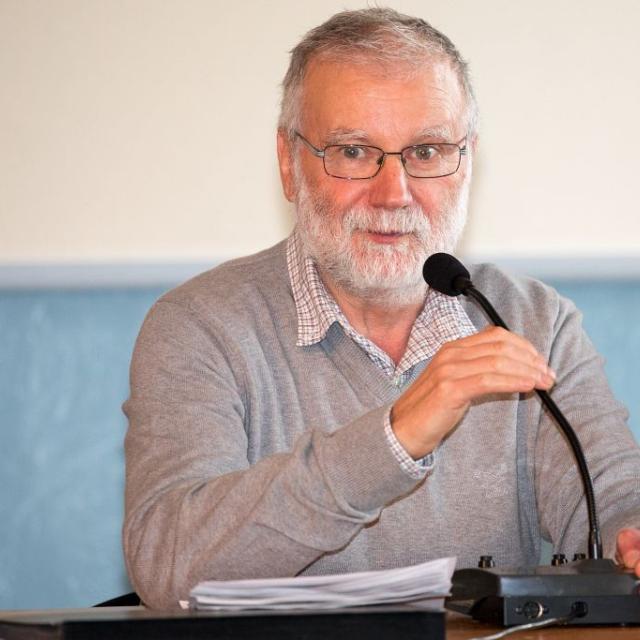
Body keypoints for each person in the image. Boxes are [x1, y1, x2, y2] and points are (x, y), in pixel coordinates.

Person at [122, 8, 640, 610]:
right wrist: (394, 439)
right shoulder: (199, 327)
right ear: (290, 164)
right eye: (352, 151)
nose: (393, 193)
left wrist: (633, 536)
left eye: (425, 151)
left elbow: (609, 498)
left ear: (467, 161)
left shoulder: (531, 319)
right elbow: (169, 566)